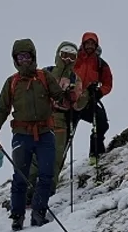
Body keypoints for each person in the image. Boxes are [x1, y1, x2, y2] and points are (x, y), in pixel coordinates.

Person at [0, 38, 66, 231]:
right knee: (20, 177)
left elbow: (59, 97)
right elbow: (2, 109)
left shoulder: (45, 77)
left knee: (46, 175)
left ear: (33, 56)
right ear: (15, 59)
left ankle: (38, 213)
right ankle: (17, 215)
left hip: (46, 133)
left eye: (27, 56)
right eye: (20, 56)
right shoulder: (11, 83)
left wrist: (68, 98)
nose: (24, 60)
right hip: (22, 136)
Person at [27, 41, 86, 197]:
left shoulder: (75, 79)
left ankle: (46, 193)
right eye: (64, 55)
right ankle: (27, 191)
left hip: (60, 119)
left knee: (56, 157)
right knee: (34, 156)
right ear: (58, 55)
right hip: (41, 117)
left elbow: (77, 104)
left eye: (72, 56)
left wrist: (83, 97)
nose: (67, 59)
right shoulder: (46, 72)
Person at [72, 31, 114, 165]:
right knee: (65, 133)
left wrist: (99, 92)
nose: (90, 46)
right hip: (70, 101)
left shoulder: (101, 64)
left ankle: (96, 153)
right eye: (87, 43)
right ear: (83, 44)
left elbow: (108, 83)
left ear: (96, 45)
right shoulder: (74, 59)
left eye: (92, 43)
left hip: (89, 101)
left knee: (101, 123)